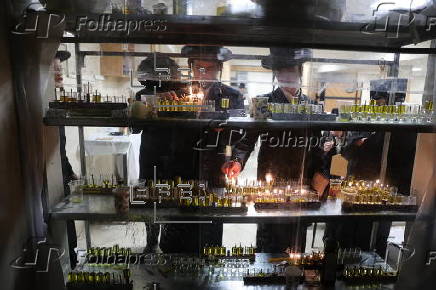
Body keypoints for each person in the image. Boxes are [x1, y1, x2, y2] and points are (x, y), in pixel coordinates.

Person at [221, 47, 322, 253]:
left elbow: (317, 146)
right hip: (270, 183)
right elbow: (246, 141)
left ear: (300, 72)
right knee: (268, 240)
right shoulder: (263, 104)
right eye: (281, 71)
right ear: (276, 74)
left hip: (301, 184)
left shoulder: (311, 105)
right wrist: (238, 161)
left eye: (291, 70)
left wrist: (321, 177)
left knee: (296, 244)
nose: (287, 76)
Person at [151, 46, 244, 253]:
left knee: (209, 241)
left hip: (215, 176)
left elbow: (239, 138)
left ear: (219, 68)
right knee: (176, 239)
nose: (204, 74)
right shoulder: (176, 96)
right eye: (199, 68)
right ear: (191, 67)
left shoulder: (233, 96)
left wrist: (236, 159)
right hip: (180, 176)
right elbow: (163, 136)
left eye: (210, 68)